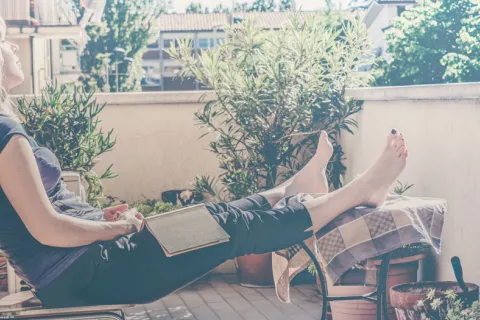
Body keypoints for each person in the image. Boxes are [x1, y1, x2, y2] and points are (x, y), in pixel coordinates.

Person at [0, 16, 408, 308]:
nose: (14, 46)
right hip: (93, 273)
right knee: (226, 226)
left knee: (214, 216)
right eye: (5, 39)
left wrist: (99, 219)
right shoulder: (4, 134)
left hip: (90, 267)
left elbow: (36, 215)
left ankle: (291, 189)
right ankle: (360, 190)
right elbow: (46, 229)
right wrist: (110, 229)